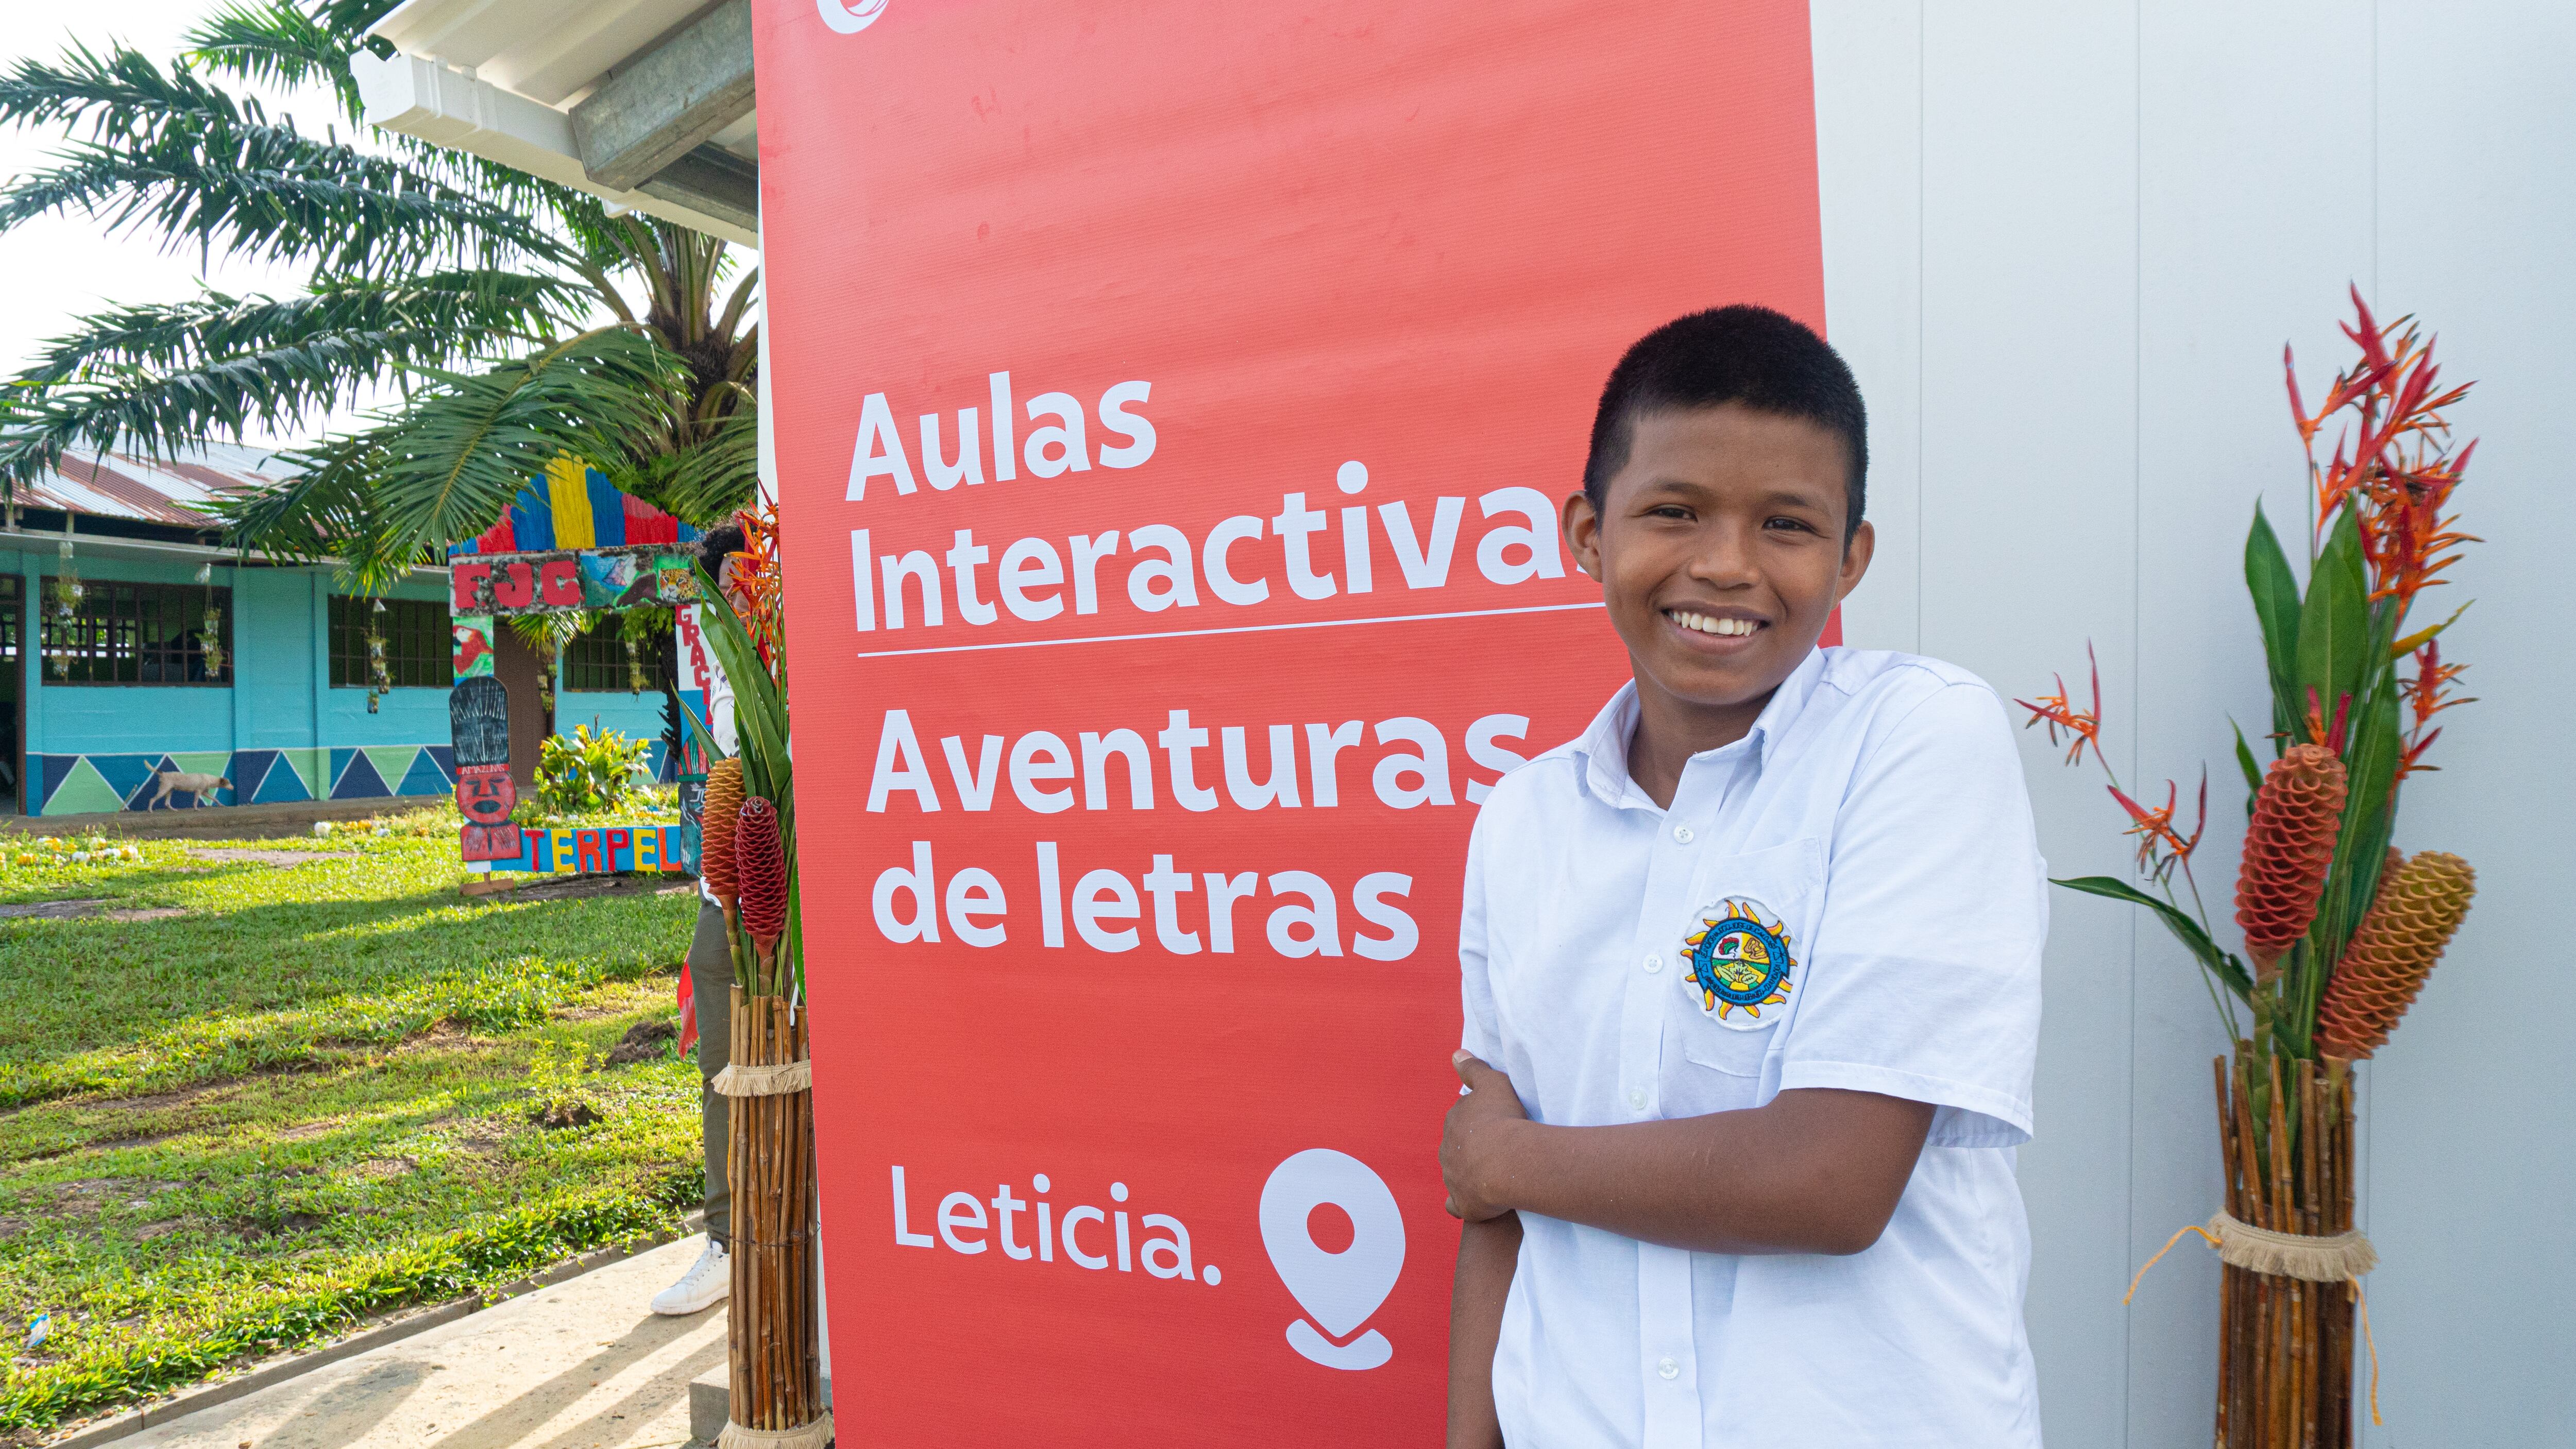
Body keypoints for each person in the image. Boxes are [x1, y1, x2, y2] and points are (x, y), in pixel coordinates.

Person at [1441, 306, 2045, 1447]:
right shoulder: (1523, 819)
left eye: (1786, 524)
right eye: (1674, 512)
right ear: (1588, 532)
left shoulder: (1917, 740)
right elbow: (1495, 1215)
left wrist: (1513, 1158)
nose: (1724, 565)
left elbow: (1828, 1184)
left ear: (1852, 557)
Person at [654, 522, 749, 1317]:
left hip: (796, 899)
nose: (740, 602)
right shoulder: (716, 665)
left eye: (751, 585)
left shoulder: (800, 663)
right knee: (719, 1068)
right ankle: (723, 1242)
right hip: (725, 897)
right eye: (728, 588)